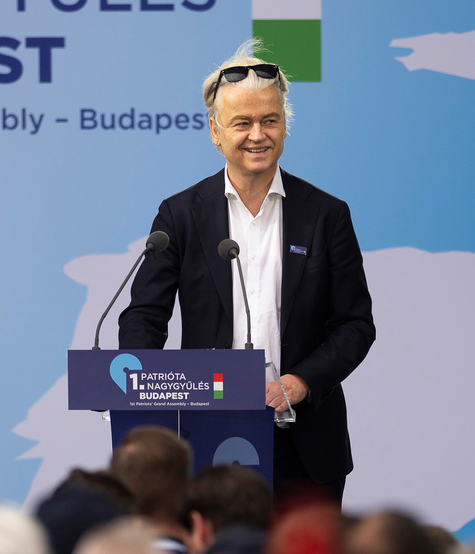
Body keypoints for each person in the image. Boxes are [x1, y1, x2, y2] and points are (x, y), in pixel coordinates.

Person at [118, 41, 376, 503]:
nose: (258, 134)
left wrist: (300, 384)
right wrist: (144, 397)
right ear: (215, 132)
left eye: (270, 120)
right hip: (206, 439)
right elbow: (143, 318)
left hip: (304, 443)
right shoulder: (180, 215)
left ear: (284, 126)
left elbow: (355, 325)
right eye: (242, 122)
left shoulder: (325, 214)